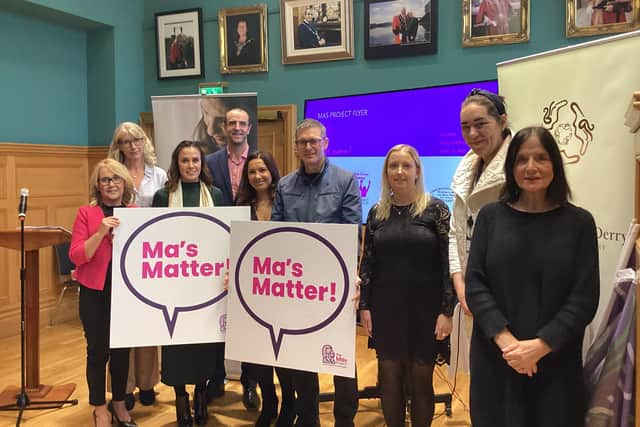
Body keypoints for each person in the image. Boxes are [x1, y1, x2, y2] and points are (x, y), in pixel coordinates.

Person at [465, 126, 600, 427]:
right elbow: (475, 284)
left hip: (555, 365)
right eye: (521, 159)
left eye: (541, 158)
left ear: (555, 163)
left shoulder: (579, 223)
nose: (531, 167)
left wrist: (538, 347)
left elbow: (584, 298)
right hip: (496, 361)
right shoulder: (489, 217)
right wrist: (509, 344)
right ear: (510, 167)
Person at [272, 119, 361, 427]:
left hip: (334, 281)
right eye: (303, 142)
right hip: (297, 285)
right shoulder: (284, 185)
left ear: (326, 142)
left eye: (314, 141)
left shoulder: (346, 180)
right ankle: (308, 417)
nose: (308, 147)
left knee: (341, 356)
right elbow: (276, 233)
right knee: (301, 354)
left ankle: (345, 418)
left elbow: (351, 230)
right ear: (296, 147)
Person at [359, 144, 454, 427]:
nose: (399, 172)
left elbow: (449, 264)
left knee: (420, 380)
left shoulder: (436, 210)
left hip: (427, 312)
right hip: (386, 310)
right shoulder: (377, 213)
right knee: (390, 379)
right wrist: (364, 306)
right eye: (393, 166)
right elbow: (368, 264)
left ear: (417, 171)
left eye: (406, 166)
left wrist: (446, 311)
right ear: (386, 173)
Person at [152, 140, 224, 426]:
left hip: (207, 282)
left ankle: (201, 392)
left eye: (195, 160)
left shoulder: (216, 194)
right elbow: (153, 238)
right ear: (176, 164)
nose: (191, 166)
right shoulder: (162, 195)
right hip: (173, 284)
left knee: (204, 344)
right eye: (185, 160)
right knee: (176, 343)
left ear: (202, 164)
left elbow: (223, 234)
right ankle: (180, 396)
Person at [69, 159, 138, 427]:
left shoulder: (134, 211)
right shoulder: (87, 213)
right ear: (97, 186)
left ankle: (119, 404)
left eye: (116, 178)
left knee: (122, 351)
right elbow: (77, 256)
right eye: (105, 179)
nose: (111, 184)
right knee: (97, 352)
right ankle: (99, 408)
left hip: (127, 293)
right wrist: (100, 232)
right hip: (94, 292)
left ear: (125, 183)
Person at [448, 88, 512, 375]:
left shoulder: (521, 166)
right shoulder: (465, 168)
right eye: (465, 126)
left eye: (480, 124)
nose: (472, 133)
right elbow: (455, 233)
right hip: (472, 292)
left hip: (509, 295)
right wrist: (460, 283)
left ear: (502, 121)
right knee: (483, 381)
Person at [107, 122, 166, 409]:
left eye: (136, 139)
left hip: (152, 254)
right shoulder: (111, 172)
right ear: (118, 145)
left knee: (148, 322)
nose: (132, 146)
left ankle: (147, 382)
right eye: (125, 141)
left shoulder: (161, 174)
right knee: (123, 324)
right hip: (120, 251)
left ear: (145, 141)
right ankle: (124, 385)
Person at [236, 151, 296, 427]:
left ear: (272, 171)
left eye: (262, 170)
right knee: (259, 353)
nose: (258, 176)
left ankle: (289, 405)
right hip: (251, 290)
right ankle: (269, 401)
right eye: (252, 172)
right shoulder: (241, 207)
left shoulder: (286, 201)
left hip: (284, 288)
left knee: (283, 351)